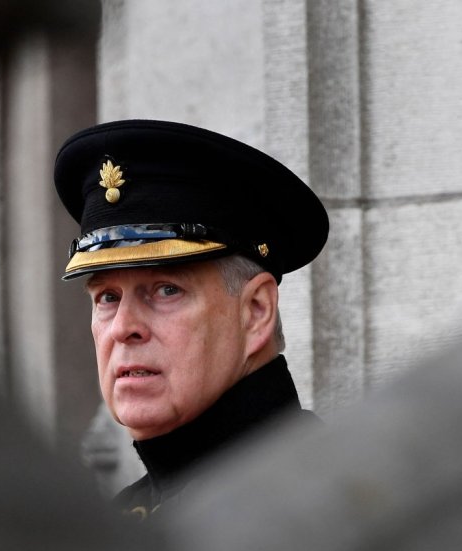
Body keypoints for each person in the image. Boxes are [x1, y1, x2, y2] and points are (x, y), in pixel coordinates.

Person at [54, 119, 329, 519]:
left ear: (257, 311)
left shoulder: (319, 499)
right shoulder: (125, 517)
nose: (123, 327)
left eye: (167, 289)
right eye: (108, 297)